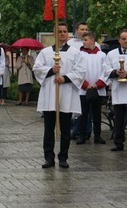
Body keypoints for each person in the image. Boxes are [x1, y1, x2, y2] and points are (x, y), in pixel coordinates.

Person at [33, 22, 85, 168]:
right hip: (51, 95)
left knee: (65, 129)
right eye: (59, 31)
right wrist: (51, 70)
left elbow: (81, 71)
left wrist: (65, 78)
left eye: (64, 31)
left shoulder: (75, 53)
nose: (62, 34)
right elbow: (37, 69)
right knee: (49, 129)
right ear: (54, 34)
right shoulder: (45, 53)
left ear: (67, 34)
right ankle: (49, 157)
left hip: (66, 94)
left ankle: (63, 157)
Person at [77, 31, 107, 145]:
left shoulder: (102, 55)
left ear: (92, 41)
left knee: (97, 114)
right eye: (82, 40)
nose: (83, 42)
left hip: (97, 89)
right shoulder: (80, 54)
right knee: (83, 114)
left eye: (85, 40)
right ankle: (82, 135)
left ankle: (98, 135)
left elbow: (106, 71)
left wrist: (98, 84)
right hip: (84, 89)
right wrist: (85, 85)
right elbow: (78, 71)